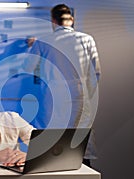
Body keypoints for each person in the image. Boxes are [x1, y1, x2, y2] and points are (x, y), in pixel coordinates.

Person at [23, 4, 101, 167]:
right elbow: (96, 73)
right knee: (80, 151)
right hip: (80, 99)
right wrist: (87, 95)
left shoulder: (43, 41)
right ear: (71, 20)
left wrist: (32, 46)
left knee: (50, 155)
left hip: (51, 101)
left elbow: (27, 67)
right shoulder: (86, 40)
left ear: (53, 20)